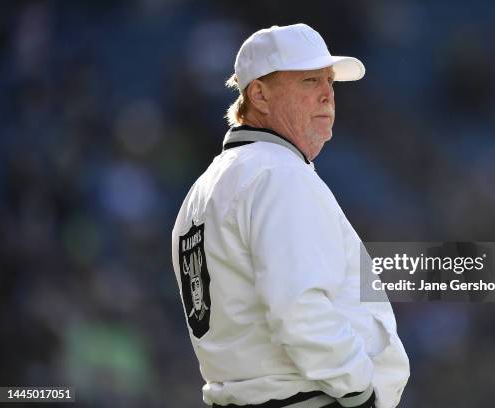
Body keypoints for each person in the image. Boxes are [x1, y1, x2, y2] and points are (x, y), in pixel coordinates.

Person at [171, 23, 410, 408]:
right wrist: (358, 392)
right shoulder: (278, 174)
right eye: (309, 81)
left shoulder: (203, 190)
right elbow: (298, 307)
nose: (326, 96)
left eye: (330, 82)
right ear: (259, 94)